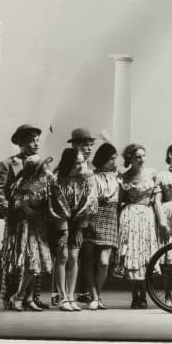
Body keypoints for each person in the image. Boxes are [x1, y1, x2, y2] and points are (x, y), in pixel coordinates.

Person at [0, 123, 42, 309]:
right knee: (14, 256)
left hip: (35, 218)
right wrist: (8, 209)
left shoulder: (41, 164)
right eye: (32, 141)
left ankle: (30, 297)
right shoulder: (8, 164)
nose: (36, 144)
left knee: (33, 256)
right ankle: (9, 297)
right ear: (21, 143)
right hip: (16, 219)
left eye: (37, 140)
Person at [116, 143, 164, 309]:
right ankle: (134, 295)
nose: (142, 159)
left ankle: (143, 294)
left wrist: (160, 218)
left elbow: (157, 198)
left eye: (143, 155)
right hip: (130, 215)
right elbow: (120, 200)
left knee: (144, 254)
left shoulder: (152, 173)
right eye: (138, 157)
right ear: (130, 158)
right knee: (132, 253)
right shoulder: (124, 177)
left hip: (146, 215)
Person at [6, 154, 56, 311]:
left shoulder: (46, 180)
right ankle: (18, 296)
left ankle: (28, 298)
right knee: (31, 264)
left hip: (40, 227)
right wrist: (39, 213)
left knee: (37, 264)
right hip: (28, 228)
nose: (46, 168)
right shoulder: (23, 185)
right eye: (42, 166)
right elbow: (24, 209)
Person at [50, 147, 95, 312]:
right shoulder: (57, 180)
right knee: (62, 256)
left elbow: (90, 202)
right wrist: (65, 228)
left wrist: (80, 227)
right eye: (77, 163)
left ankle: (70, 296)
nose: (80, 166)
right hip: (61, 220)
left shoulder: (86, 179)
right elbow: (56, 205)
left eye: (82, 162)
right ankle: (62, 297)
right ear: (68, 163)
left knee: (74, 257)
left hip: (78, 220)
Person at [85, 143, 122, 310]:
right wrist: (97, 200)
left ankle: (97, 294)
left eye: (115, 158)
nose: (114, 161)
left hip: (110, 217)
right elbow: (88, 198)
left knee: (104, 262)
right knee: (89, 260)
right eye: (111, 158)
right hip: (93, 216)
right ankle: (94, 296)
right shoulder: (91, 176)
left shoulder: (117, 177)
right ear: (103, 158)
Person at [68, 128, 98, 305]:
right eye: (85, 145)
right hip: (68, 217)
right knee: (66, 256)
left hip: (86, 218)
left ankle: (82, 292)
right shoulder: (68, 165)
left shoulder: (92, 167)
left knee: (85, 255)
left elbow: (91, 198)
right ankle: (62, 294)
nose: (89, 148)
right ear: (75, 146)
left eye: (90, 145)